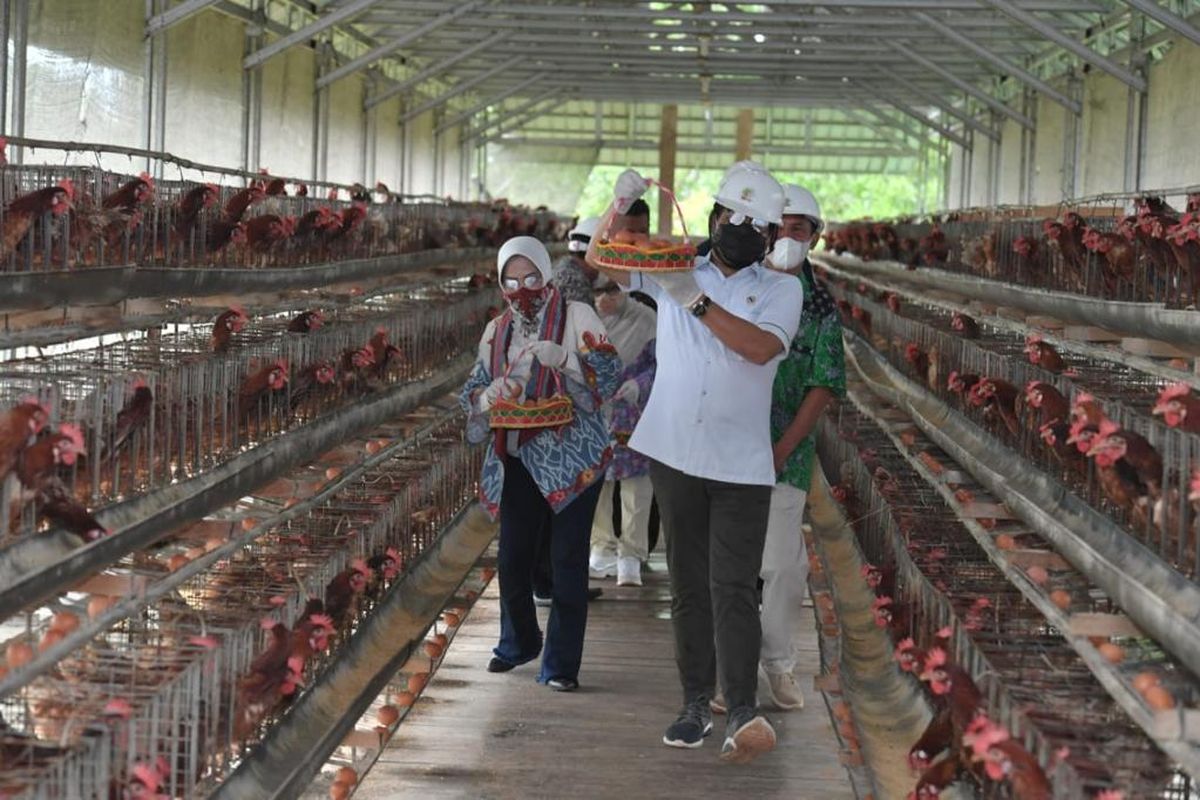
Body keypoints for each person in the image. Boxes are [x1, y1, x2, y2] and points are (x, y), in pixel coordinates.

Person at [587, 162, 803, 763]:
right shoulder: (676, 267)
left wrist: (698, 303)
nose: (744, 231)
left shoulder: (783, 288)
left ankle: (741, 708)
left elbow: (761, 348)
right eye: (734, 218)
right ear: (714, 217)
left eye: (757, 225)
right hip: (677, 450)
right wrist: (620, 201)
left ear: (769, 236)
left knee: (733, 584)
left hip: (740, 461)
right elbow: (604, 262)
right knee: (687, 584)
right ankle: (692, 702)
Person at [460, 236, 622, 691]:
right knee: (512, 560)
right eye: (511, 281)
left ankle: (561, 666)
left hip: (573, 461)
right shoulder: (497, 331)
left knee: (567, 561)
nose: (522, 289)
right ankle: (519, 642)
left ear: (547, 275)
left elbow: (608, 377)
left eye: (531, 277)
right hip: (517, 458)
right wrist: (486, 397)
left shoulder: (578, 317)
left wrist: (567, 360)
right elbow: (473, 388)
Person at [712, 183, 845, 714]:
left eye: (800, 229)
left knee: (783, 568)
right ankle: (730, 672)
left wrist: (781, 449)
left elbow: (824, 385)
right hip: (724, 444)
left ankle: (780, 665)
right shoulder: (740, 285)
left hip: (784, 452)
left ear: (814, 238)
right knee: (729, 564)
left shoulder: (820, 304)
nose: (788, 237)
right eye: (781, 226)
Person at [589, 275, 657, 586]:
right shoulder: (585, 320)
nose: (604, 299)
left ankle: (632, 553)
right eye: (598, 292)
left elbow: (661, 363)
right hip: (595, 409)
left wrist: (639, 384)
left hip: (634, 412)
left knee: (637, 486)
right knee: (596, 483)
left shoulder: (646, 319)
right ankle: (601, 546)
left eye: (612, 291)